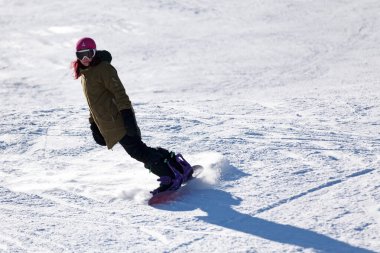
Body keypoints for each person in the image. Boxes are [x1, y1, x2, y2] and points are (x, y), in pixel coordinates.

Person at [71, 37, 193, 195]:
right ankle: (177, 166)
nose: (85, 58)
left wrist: (128, 117)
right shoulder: (84, 75)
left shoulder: (104, 69)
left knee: (138, 152)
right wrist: (94, 125)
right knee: (140, 149)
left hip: (120, 121)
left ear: (95, 52)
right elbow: (93, 103)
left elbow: (120, 94)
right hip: (109, 124)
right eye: (81, 55)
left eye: (89, 53)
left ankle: (169, 176)